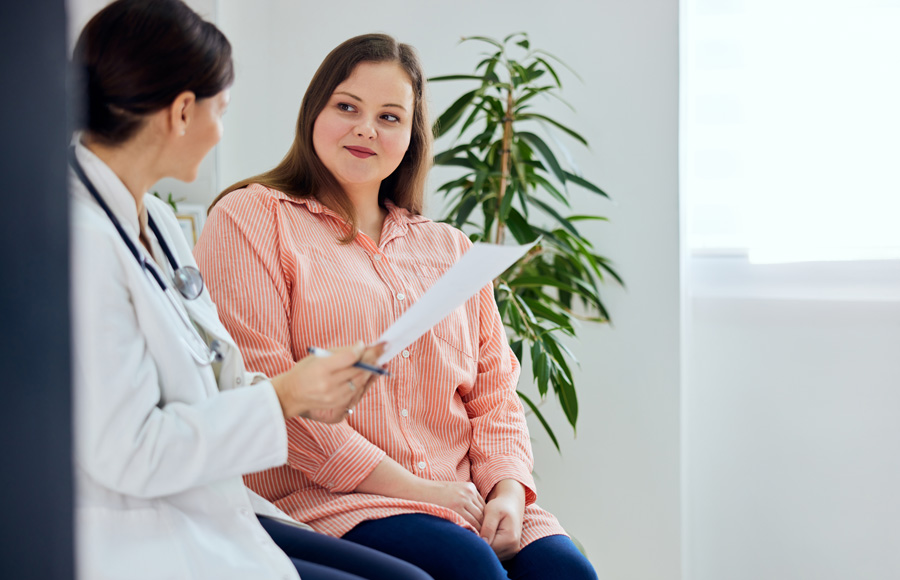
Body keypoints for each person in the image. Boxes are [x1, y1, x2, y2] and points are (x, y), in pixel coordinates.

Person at [194, 33, 599, 580]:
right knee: (469, 567)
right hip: (332, 498)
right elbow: (268, 389)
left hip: (470, 495)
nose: (366, 128)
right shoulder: (251, 218)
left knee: (566, 571)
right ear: (314, 111)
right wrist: (422, 492)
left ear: (411, 136)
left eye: (390, 116)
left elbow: (495, 392)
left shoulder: (450, 247)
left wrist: (507, 490)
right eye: (347, 107)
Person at [70, 3, 433, 580]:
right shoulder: (83, 243)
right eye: (222, 110)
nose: (221, 130)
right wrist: (283, 399)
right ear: (183, 112)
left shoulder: (157, 221)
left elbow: (217, 372)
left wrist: (299, 390)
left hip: (209, 503)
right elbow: (132, 452)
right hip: (134, 527)